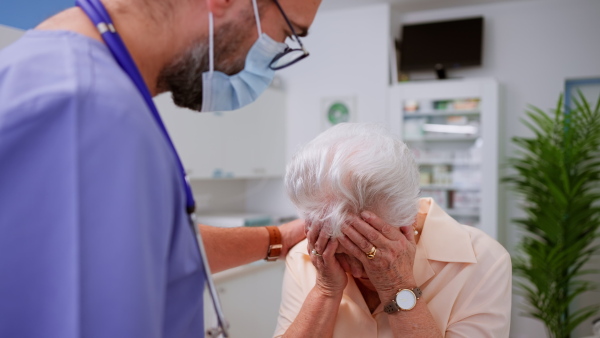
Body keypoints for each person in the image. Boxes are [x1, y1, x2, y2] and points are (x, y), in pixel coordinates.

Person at [0, 0, 321, 337]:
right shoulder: (88, 111)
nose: (272, 60)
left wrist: (280, 238)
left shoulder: (61, 72)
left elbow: (152, 249)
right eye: (286, 33)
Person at [274, 123, 512, 337]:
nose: (357, 271)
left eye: (371, 246)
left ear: (408, 216)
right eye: (341, 253)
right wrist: (325, 291)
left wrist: (396, 286)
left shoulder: (483, 261)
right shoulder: (305, 257)